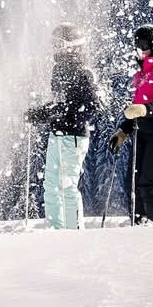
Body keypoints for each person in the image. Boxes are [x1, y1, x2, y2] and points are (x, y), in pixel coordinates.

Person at [25, 22, 104, 229]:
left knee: (67, 185)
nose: (55, 48)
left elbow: (92, 106)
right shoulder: (59, 69)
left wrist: (66, 114)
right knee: (51, 185)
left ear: (74, 45)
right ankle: (56, 229)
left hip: (74, 136)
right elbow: (58, 102)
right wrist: (42, 113)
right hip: (57, 134)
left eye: (59, 43)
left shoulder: (83, 72)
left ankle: (72, 232)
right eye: (53, 43)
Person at [108, 24, 153, 225]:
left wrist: (145, 109)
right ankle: (139, 222)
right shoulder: (144, 72)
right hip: (143, 132)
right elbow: (136, 109)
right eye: (137, 45)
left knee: (149, 182)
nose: (139, 49)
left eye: (143, 45)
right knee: (132, 181)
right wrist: (124, 131)